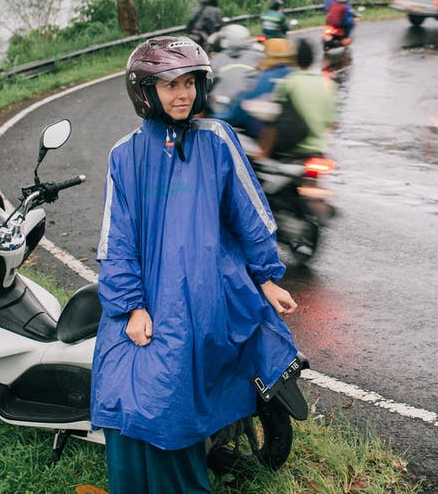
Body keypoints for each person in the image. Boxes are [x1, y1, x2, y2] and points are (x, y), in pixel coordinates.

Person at [92, 36, 300, 493]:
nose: (182, 94)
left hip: (201, 297)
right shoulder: (124, 155)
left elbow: (249, 213)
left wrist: (266, 277)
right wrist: (130, 306)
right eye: (169, 85)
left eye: (189, 82)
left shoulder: (216, 140)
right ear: (146, 91)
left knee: (172, 406)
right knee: (120, 391)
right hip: (145, 298)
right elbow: (117, 240)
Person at [257, 39, 339, 161]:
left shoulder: (288, 82)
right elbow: (332, 123)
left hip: (291, 151)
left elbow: (274, 119)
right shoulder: (328, 84)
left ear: (294, 59)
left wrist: (264, 152)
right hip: (317, 151)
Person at [213, 37, 298, 137]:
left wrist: (214, 118)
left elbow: (237, 111)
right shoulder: (300, 78)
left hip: (265, 139)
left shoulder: (261, 79)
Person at [204, 24, 263, 117]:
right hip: (253, 112)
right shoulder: (259, 57)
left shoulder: (215, 62)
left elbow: (206, 83)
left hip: (221, 112)